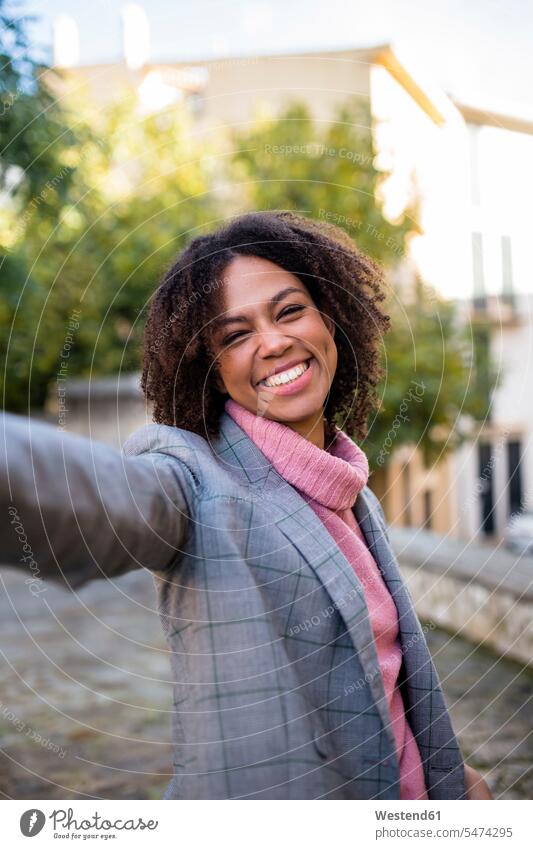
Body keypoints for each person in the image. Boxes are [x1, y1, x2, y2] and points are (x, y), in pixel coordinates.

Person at [1, 211, 491, 800]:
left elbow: (388, 681)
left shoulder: (346, 486)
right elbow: (96, 494)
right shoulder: (191, 479)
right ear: (209, 370)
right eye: (235, 335)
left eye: (289, 311)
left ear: (330, 320)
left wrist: (450, 783)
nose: (274, 341)